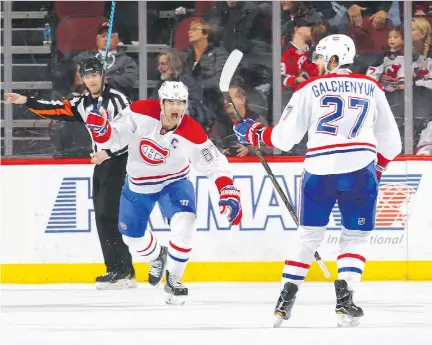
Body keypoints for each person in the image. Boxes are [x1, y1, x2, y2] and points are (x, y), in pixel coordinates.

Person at [233, 34, 402, 327]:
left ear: (334, 59)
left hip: (319, 170)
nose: (318, 65)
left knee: (308, 236)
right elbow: (392, 143)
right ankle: (345, 300)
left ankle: (286, 298)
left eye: (322, 59)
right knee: (356, 236)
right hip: (359, 168)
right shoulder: (372, 87)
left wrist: (255, 134)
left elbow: (284, 139)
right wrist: (377, 169)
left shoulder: (309, 88)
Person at [85, 81, 242, 304]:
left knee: (185, 222)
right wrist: (101, 129)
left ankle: (174, 279)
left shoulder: (191, 131)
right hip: (139, 183)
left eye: (181, 102)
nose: (176, 107)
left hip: (174, 182)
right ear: (162, 103)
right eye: (171, 102)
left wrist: (227, 189)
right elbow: (113, 139)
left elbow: (215, 164)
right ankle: (158, 256)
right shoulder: (139, 112)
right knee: (132, 238)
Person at [5, 57, 136, 290]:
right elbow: (54, 108)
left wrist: (110, 151)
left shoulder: (118, 100)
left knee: (108, 214)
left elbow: (132, 133)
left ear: (102, 76)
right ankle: (118, 269)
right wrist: (27, 101)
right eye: (87, 76)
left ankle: (123, 270)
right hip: (100, 162)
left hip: (120, 161)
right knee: (102, 216)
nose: (92, 80)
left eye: (95, 75)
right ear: (83, 79)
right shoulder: (82, 103)